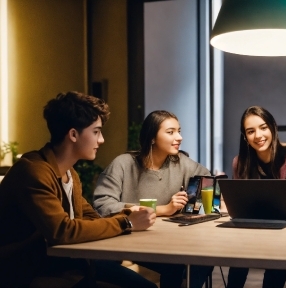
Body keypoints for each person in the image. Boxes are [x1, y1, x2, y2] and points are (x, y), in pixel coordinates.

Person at [0, 91, 157, 287]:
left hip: (65, 261)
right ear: (73, 134)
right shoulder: (34, 172)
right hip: (26, 269)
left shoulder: (69, 173)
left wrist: (128, 214)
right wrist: (127, 222)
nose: (101, 140)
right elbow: (62, 231)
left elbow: (89, 219)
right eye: (96, 132)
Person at [93, 110, 213, 288]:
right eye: (170, 132)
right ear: (152, 138)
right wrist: (163, 209)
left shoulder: (180, 162)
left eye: (179, 131)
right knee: (175, 266)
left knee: (202, 261)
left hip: (164, 243)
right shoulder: (124, 164)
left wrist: (189, 202)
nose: (179, 137)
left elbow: (209, 183)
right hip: (126, 241)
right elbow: (103, 204)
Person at [226, 106, 286, 288]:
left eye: (263, 127)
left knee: (279, 254)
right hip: (251, 229)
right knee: (238, 254)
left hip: (284, 230)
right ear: (245, 137)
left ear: (273, 128)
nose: (258, 135)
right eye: (250, 131)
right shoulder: (240, 162)